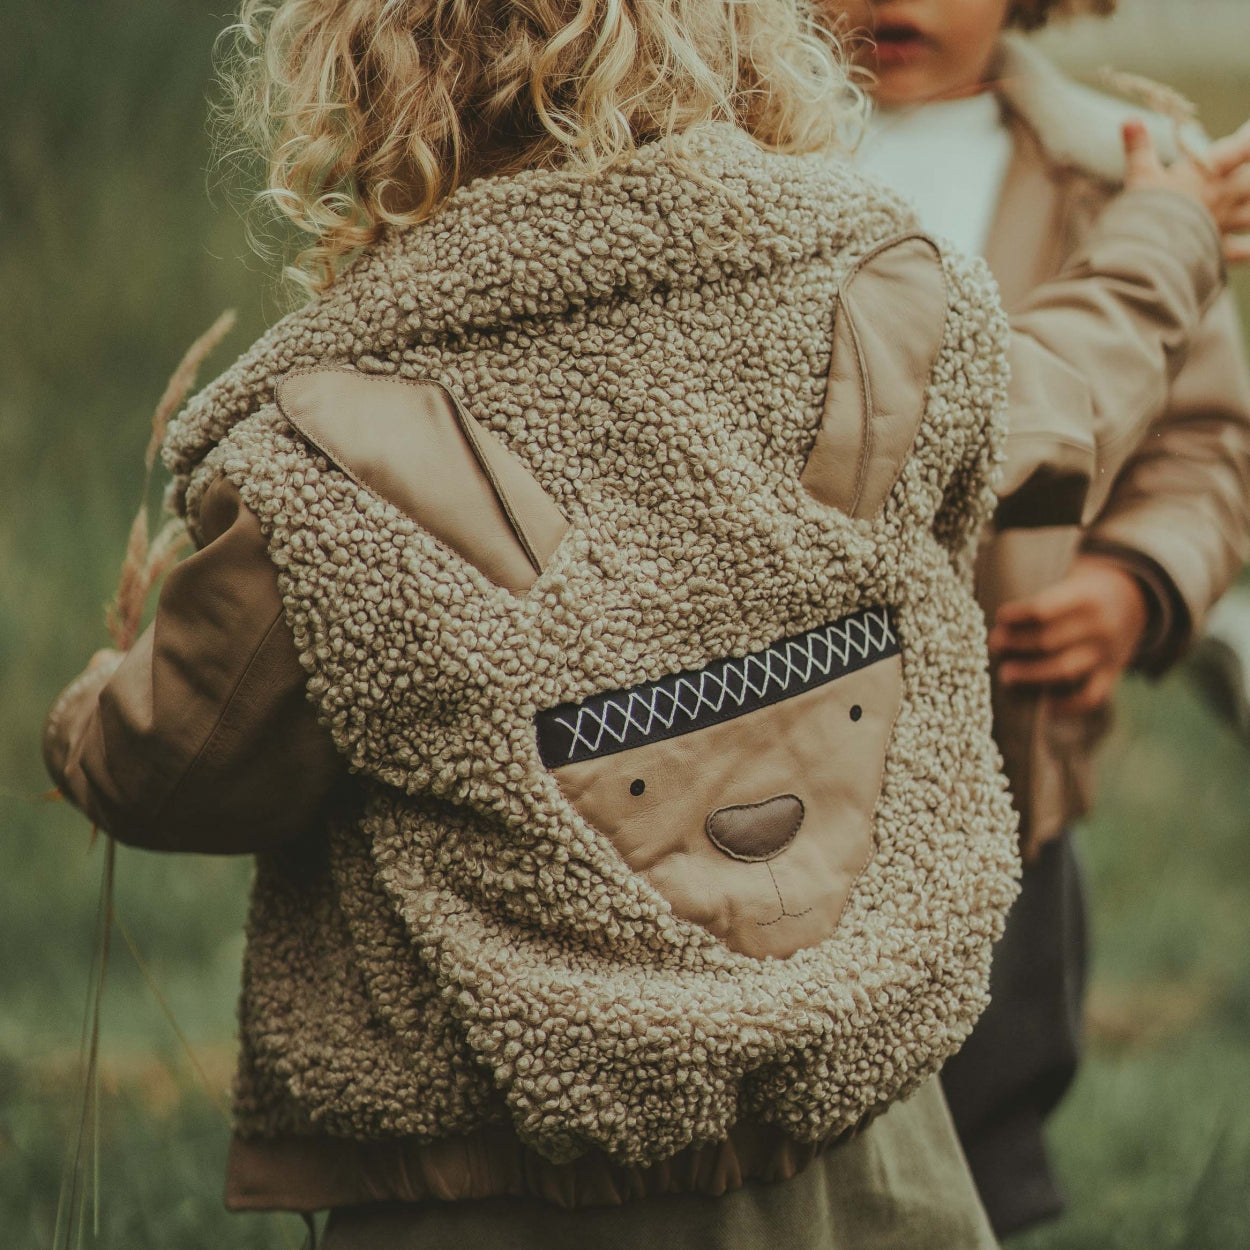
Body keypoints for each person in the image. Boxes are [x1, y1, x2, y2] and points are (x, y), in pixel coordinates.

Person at [40, 0, 1250, 1245]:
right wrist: (1160, 239)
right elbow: (1072, 387)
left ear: (358, 92)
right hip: (852, 1154)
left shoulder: (329, 455)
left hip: (499, 1172)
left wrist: (84, 718)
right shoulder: (866, 303)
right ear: (745, 43)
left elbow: (176, 763)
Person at [841, 0, 1250, 1237]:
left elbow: (1200, 449)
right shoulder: (735, 149)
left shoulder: (1118, 168)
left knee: (983, 1099)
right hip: (774, 750)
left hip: (1001, 754)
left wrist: (1130, 586)